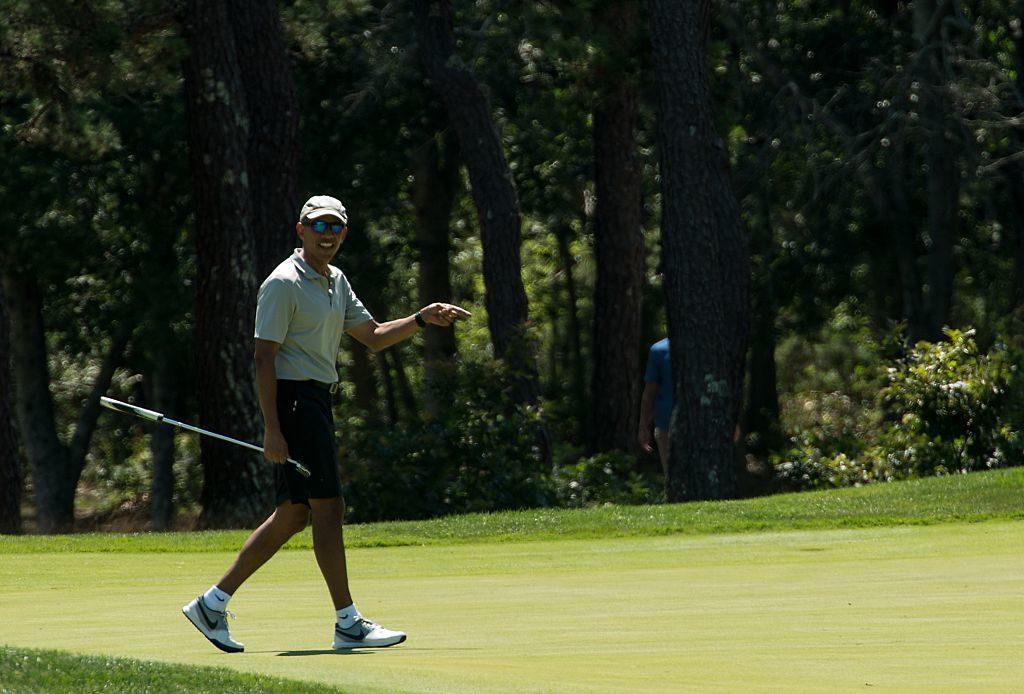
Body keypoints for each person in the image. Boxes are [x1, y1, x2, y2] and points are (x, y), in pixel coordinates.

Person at [182, 195, 471, 653]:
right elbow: (263, 357)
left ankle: (212, 604)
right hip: (295, 404)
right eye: (318, 226)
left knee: (295, 514)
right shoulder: (282, 283)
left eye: (335, 226)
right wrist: (272, 428)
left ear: (344, 233)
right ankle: (348, 622)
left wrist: (421, 319)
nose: (327, 234)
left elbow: (372, 337)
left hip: (315, 402)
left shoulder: (336, 282)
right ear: (301, 230)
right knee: (329, 509)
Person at [638, 338, 672, 477]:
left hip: (666, 425)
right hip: (701, 424)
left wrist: (643, 426)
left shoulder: (659, 350)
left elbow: (649, 394)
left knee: (671, 476)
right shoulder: (707, 345)